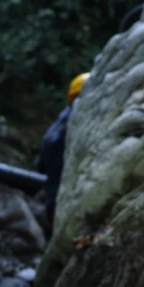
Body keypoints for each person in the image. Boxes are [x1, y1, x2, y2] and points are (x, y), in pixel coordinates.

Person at [37, 72, 90, 232]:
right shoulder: (73, 124)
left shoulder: (60, 122)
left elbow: (39, 164)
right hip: (61, 197)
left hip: (53, 194)